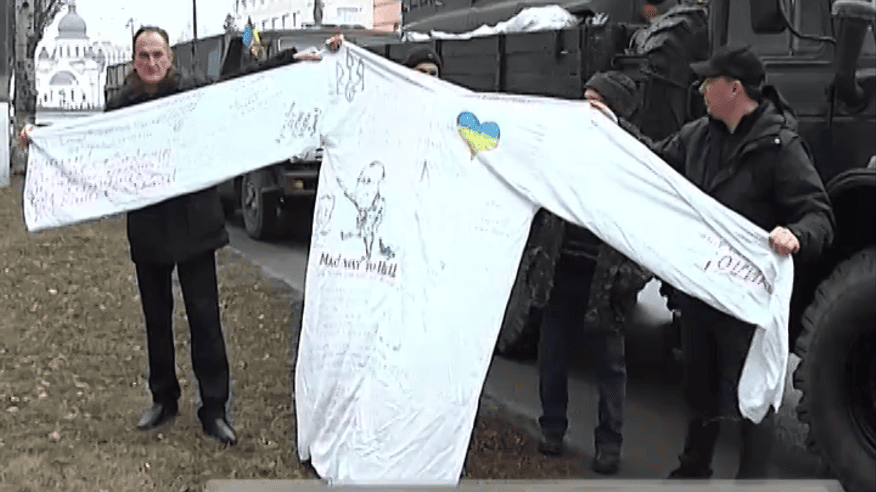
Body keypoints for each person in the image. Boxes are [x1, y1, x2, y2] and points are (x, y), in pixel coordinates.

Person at [590, 44, 834, 479]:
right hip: (700, 293)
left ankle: (751, 481)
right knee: (698, 387)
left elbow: (819, 215)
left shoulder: (780, 148)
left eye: (709, 81)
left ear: (734, 89)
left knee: (748, 397)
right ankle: (693, 469)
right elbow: (651, 161)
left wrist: (796, 234)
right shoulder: (698, 136)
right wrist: (612, 126)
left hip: (745, 301)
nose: (701, 88)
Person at [537, 70, 643, 476]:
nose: (584, 108)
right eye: (583, 98)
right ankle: (551, 429)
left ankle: (609, 445)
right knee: (552, 356)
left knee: (610, 366)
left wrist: (631, 278)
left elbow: (647, 223)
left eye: (594, 101)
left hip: (606, 279)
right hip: (562, 269)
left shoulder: (634, 154)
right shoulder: (566, 142)